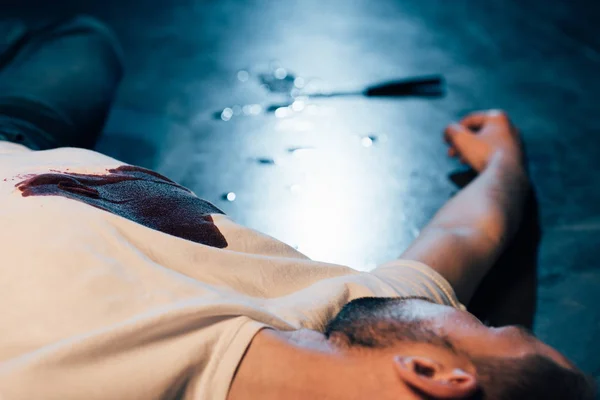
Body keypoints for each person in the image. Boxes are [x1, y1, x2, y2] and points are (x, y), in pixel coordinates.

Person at [0, 16, 595, 400]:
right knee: (81, 39)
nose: (466, 310)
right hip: (26, 139)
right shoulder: (352, 307)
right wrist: (502, 165)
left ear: (434, 372)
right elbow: (471, 230)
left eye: (487, 327)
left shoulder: (62, 378)